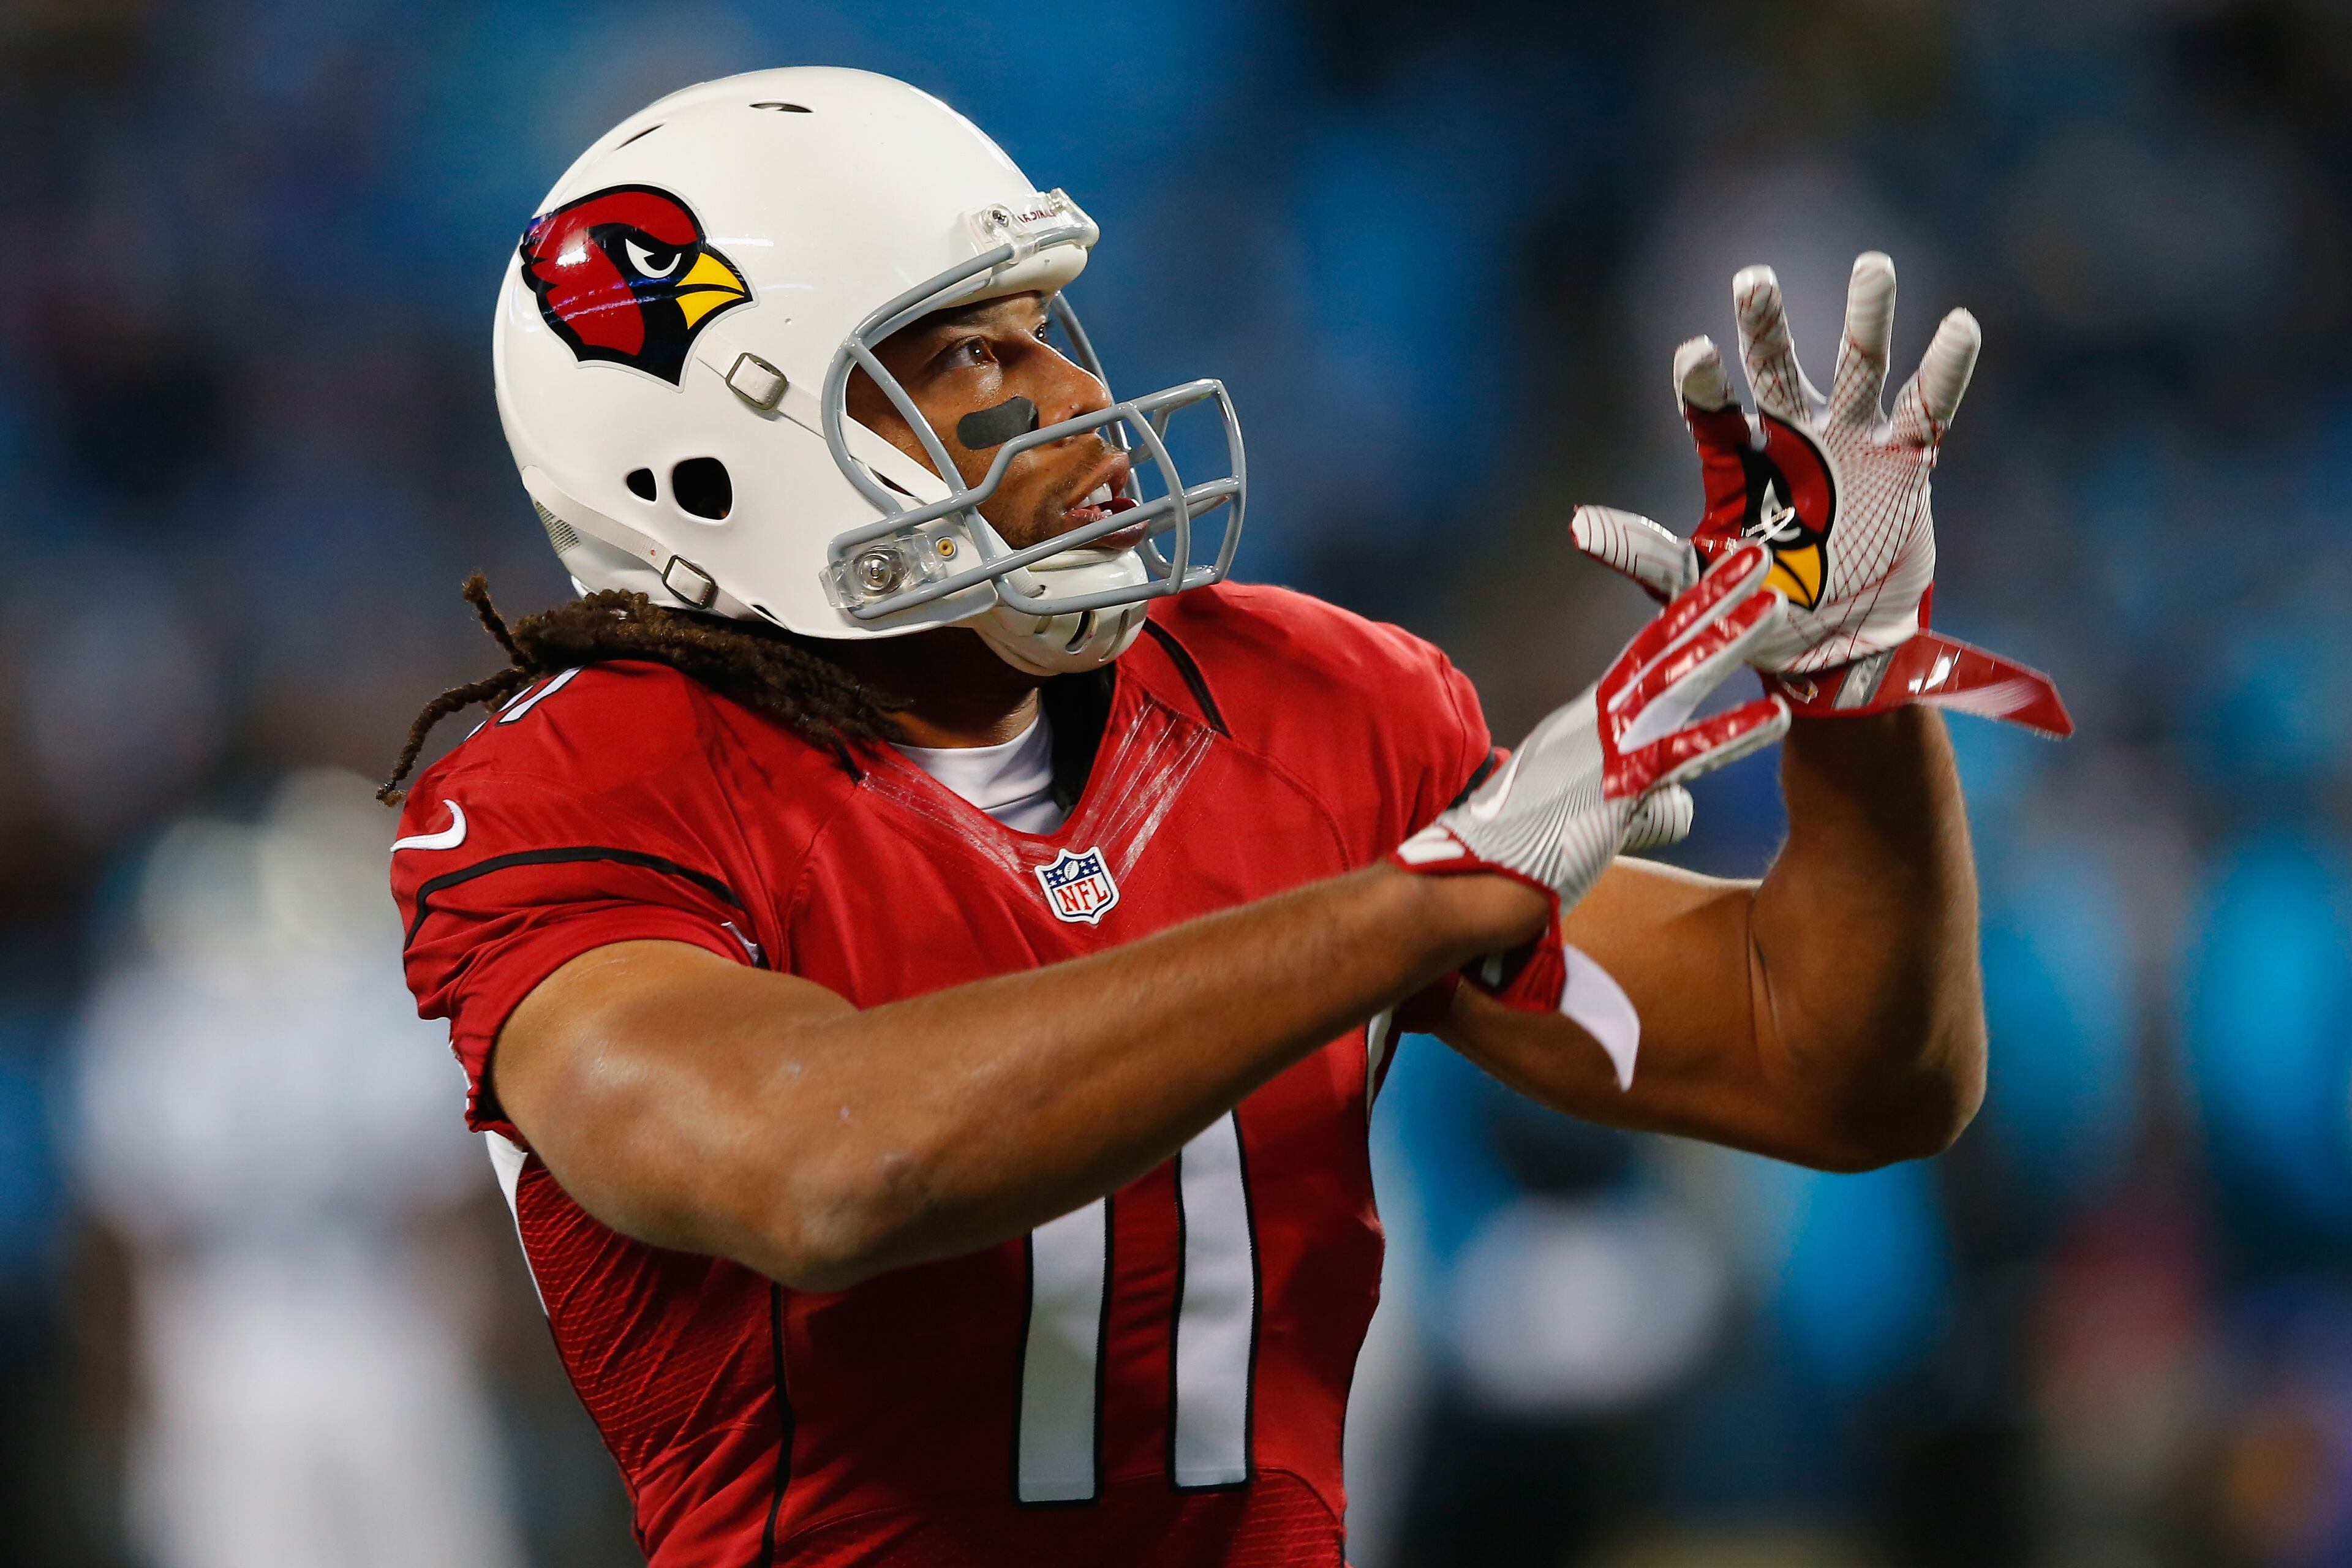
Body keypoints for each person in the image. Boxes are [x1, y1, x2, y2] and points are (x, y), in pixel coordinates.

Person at [388, 66, 2019, 1567]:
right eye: (967, 353)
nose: (1073, 394)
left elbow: (1837, 1067)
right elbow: (827, 1166)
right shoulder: (584, 784)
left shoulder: (1300, 703)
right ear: (714, 465)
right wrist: (1420, 903)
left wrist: (1858, 698)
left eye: (1048, 325)